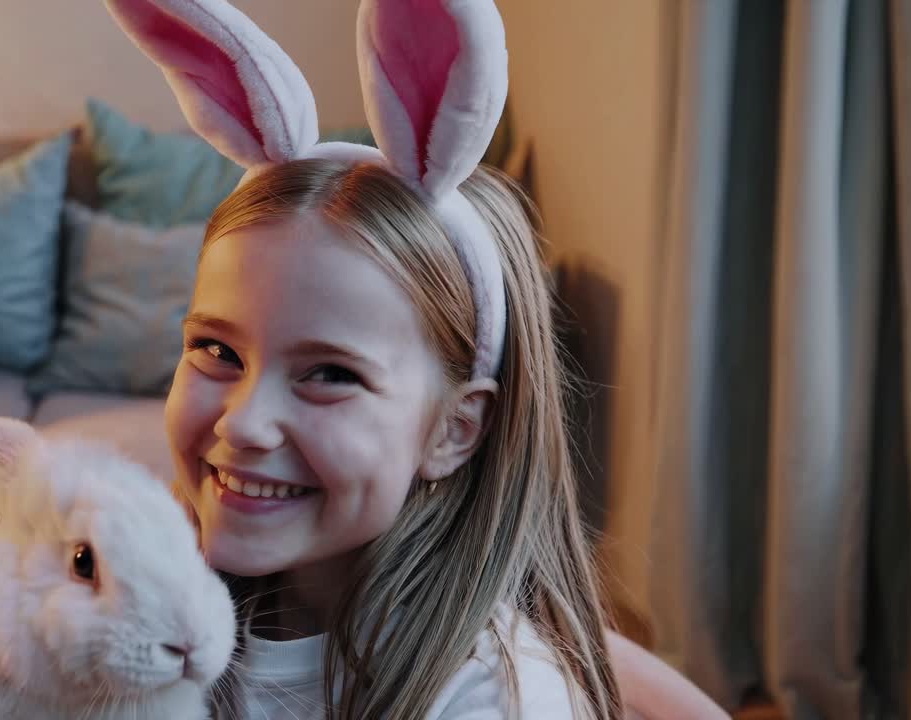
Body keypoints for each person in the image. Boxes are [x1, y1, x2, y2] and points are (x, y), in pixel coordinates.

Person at [102, 0, 626, 717]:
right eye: (217, 350)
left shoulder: (491, 700)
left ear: (454, 430)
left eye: (330, 374)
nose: (245, 423)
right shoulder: (129, 610)